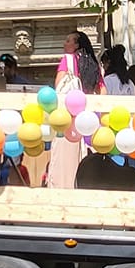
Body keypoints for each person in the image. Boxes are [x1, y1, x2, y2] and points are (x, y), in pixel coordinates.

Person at [46, 32, 100, 190]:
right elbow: (102, 91)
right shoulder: (94, 65)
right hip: (88, 120)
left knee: (63, 165)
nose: (65, 43)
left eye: (68, 40)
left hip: (67, 120)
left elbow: (58, 87)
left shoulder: (67, 60)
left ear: (76, 45)